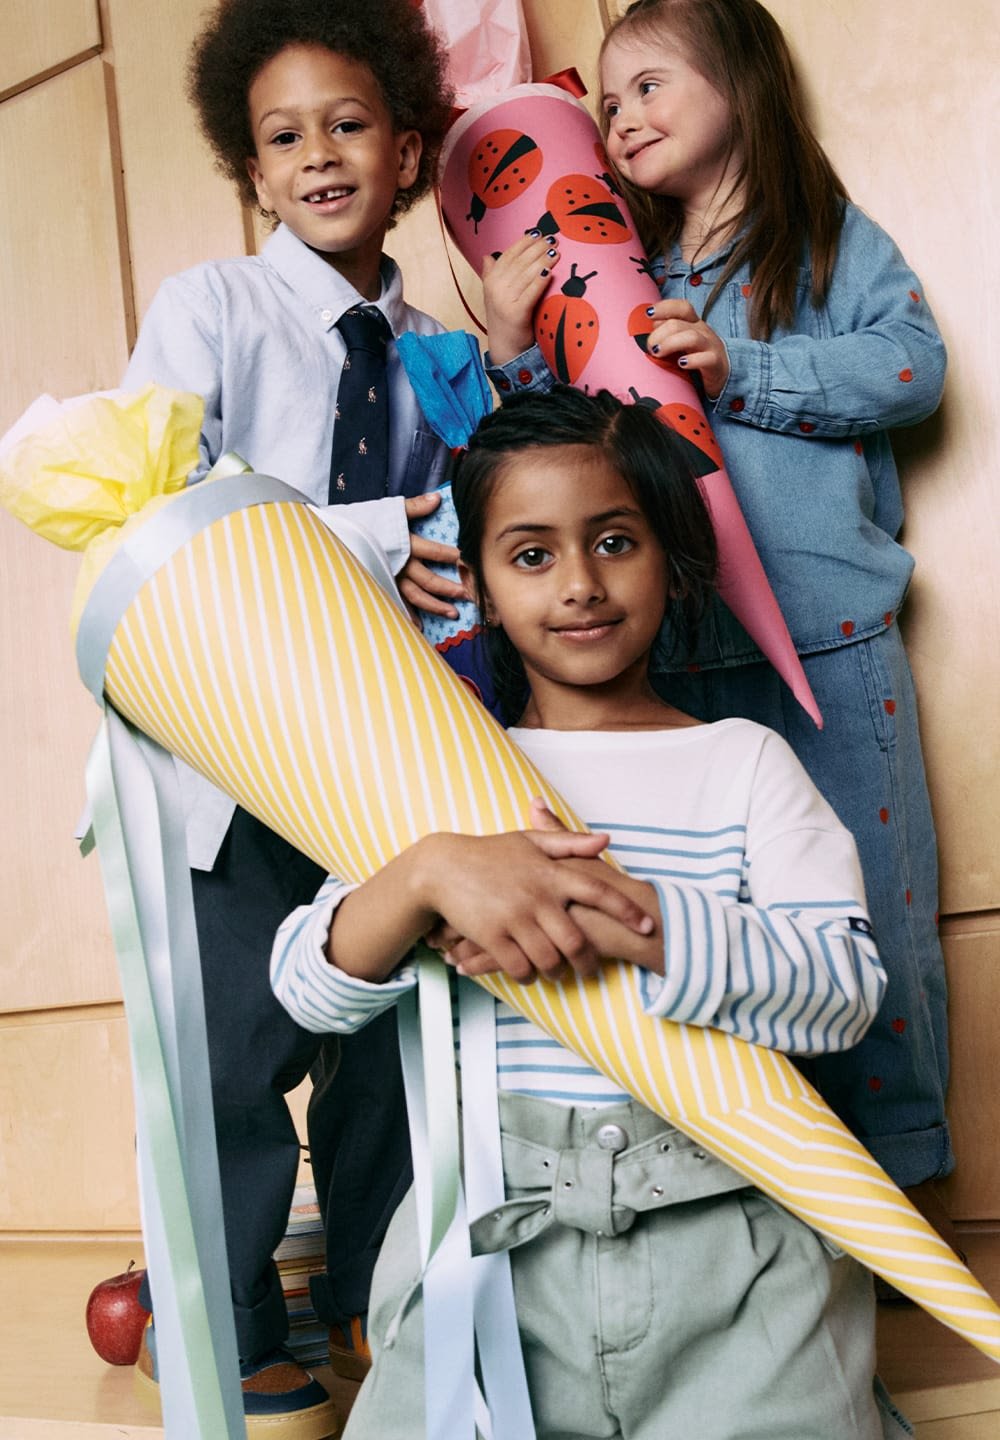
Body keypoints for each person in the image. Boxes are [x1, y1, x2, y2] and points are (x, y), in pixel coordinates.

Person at [270, 387, 910, 1439]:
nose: (578, 584)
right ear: (471, 580)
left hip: (732, 1240)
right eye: (530, 556)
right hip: (486, 1248)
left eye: (614, 541)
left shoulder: (741, 763)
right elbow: (305, 989)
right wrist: (426, 873)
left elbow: (840, 997)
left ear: (672, 557)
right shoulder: (441, 781)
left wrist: (629, 918)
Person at [482, 0, 952, 1226]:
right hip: (679, 671)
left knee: (871, 930)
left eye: (649, 88)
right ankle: (773, 1193)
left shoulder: (825, 242)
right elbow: (568, 457)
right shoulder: (614, 264)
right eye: (610, 103)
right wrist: (511, 346)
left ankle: (895, 1197)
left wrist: (744, 368)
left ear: (739, 85)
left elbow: (916, 367)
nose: (621, 118)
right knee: (721, 938)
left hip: (832, 646)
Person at [123, 0, 460, 1429]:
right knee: (237, 1051)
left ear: (406, 151)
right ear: (249, 170)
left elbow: (482, 525)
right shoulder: (210, 308)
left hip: (380, 750)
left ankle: (380, 1294)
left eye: (349, 124)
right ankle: (230, 1314)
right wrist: (385, 533)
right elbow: (173, 507)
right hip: (232, 744)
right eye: (283, 136)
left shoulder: (438, 344)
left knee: (387, 1038)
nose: (319, 154)